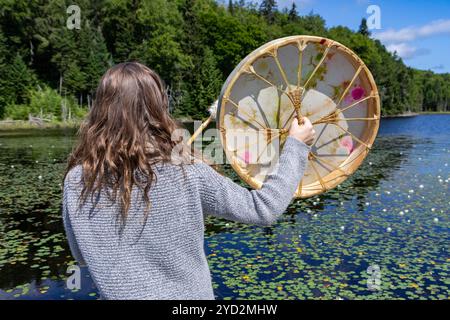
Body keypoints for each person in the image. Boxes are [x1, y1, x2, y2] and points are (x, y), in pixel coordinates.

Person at [62, 62, 315, 300]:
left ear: (101, 110)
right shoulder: (187, 170)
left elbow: (82, 254)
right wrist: (295, 145)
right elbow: (263, 209)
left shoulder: (75, 181)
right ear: (157, 108)